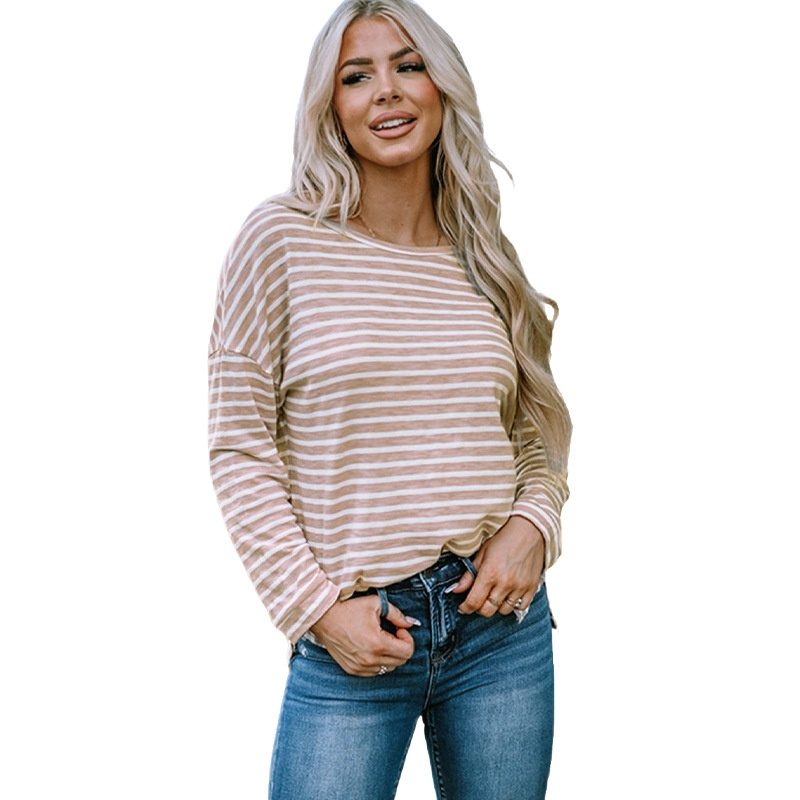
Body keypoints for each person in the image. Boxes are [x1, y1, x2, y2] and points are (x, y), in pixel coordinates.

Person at [207, 1, 571, 797]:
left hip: (500, 631)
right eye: (356, 76)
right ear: (330, 106)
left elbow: (534, 430)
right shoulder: (280, 241)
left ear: (443, 88)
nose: (387, 91)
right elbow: (239, 448)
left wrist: (532, 526)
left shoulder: (486, 255)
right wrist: (314, 609)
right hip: (356, 628)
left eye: (409, 66)